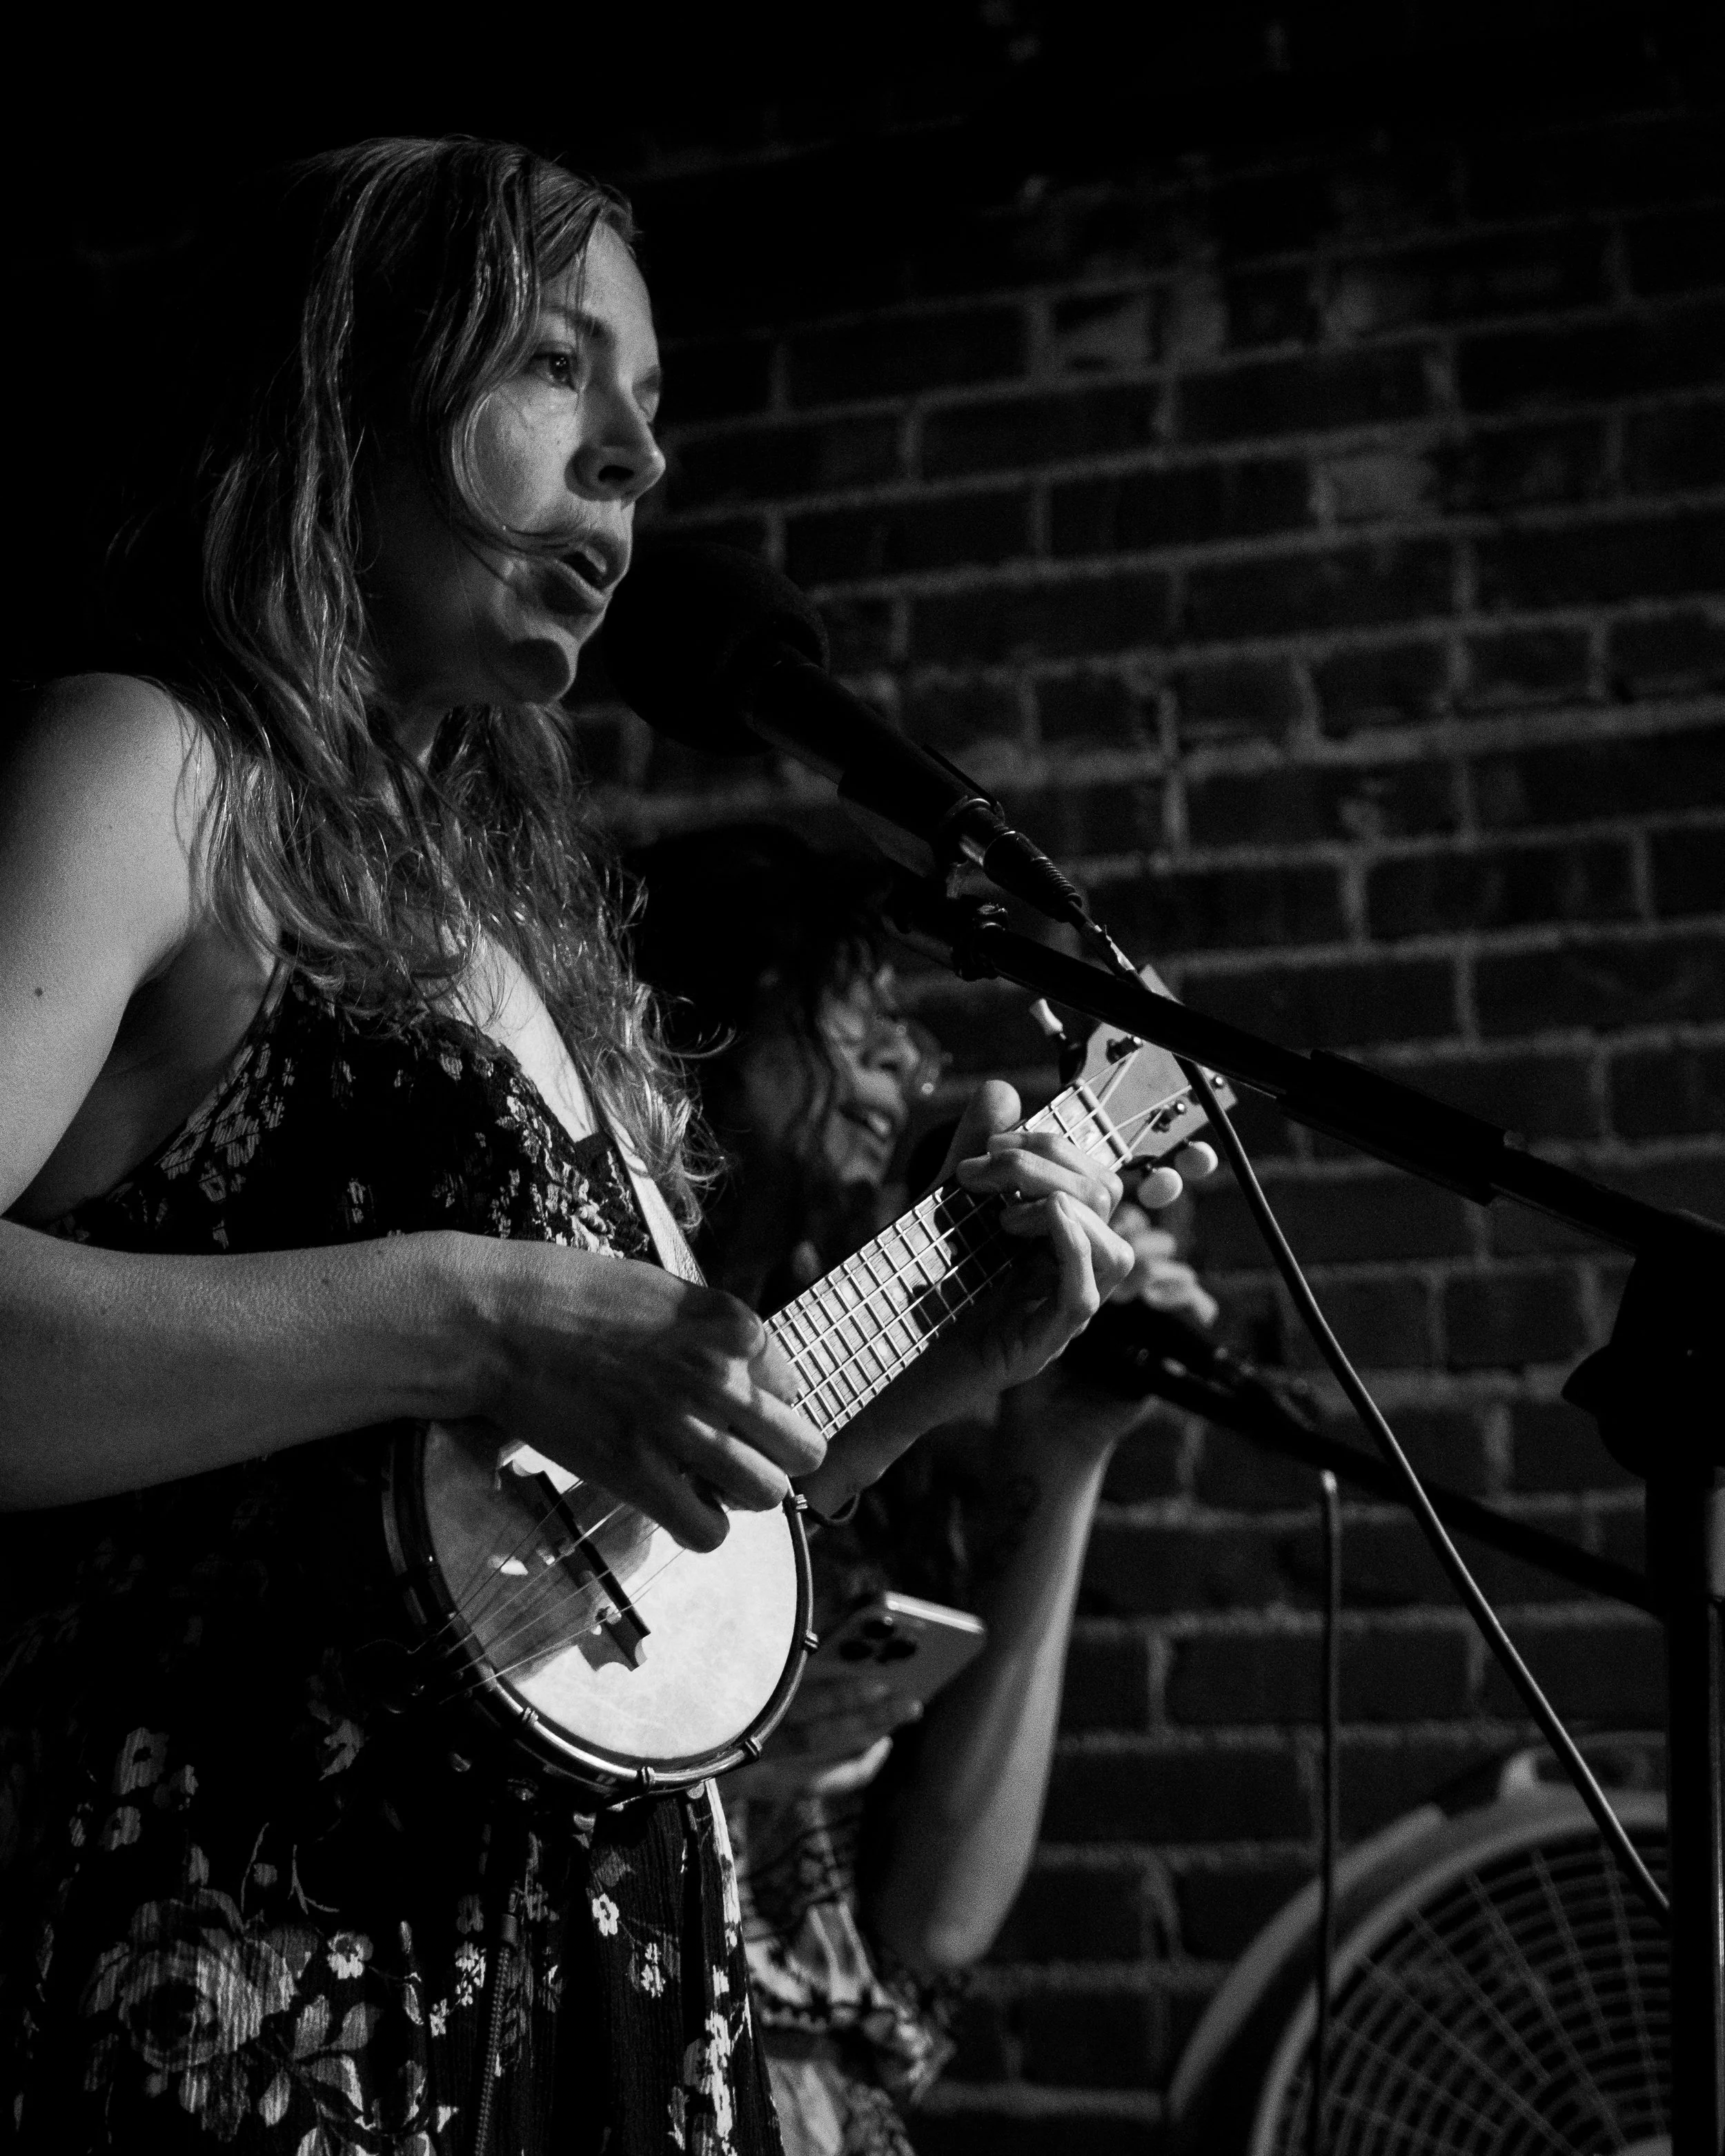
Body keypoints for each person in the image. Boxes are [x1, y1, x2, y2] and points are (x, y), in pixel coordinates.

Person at [0, 140, 1136, 2156]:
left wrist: (930, 1378)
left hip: (587, 2023)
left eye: (653, 414)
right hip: (252, 1991)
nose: (630, 462)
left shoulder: (536, 954)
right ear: (337, 392)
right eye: (549, 363)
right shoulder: (151, 769)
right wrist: (468, 1309)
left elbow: (576, 1555)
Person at [629, 827, 1218, 2156]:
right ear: (694, 1032)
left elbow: (939, 1922)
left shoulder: (888, 1396)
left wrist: (1068, 1456)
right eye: (854, 1015)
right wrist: (727, 1758)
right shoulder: (599, 1357)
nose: (913, 1060)